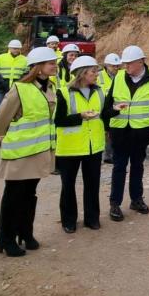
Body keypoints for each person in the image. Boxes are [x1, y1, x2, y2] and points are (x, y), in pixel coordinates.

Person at [0, 46, 57, 257]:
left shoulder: (50, 88)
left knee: (30, 195)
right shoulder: (20, 88)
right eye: (50, 63)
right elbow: (2, 118)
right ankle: (6, 238)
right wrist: (0, 136)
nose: (54, 66)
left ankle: (25, 233)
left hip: (39, 151)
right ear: (37, 68)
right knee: (13, 196)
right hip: (20, 152)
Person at [101, 45, 149, 221]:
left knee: (138, 166)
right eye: (125, 64)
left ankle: (136, 199)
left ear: (141, 61)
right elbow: (108, 104)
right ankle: (115, 204)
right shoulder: (119, 77)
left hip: (141, 132)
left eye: (129, 64)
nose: (126, 67)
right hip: (120, 131)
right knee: (119, 167)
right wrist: (107, 127)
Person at [55, 55, 105, 232]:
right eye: (93, 71)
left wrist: (115, 109)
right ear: (82, 74)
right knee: (68, 186)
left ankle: (92, 218)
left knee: (92, 184)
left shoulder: (99, 91)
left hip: (94, 146)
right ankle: (68, 220)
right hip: (70, 148)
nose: (97, 74)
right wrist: (81, 116)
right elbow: (58, 120)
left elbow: (103, 115)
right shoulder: (63, 92)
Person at [0, 40, 28, 132]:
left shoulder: (25, 60)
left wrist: (20, 82)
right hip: (1, 88)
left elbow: (26, 73)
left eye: (17, 48)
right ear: (9, 48)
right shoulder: (0, 58)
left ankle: (12, 128)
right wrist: (1, 82)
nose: (16, 50)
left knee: (16, 109)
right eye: (14, 48)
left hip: (17, 88)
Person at [99, 53, 122, 164]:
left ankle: (108, 155)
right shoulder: (99, 76)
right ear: (107, 65)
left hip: (114, 109)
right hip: (101, 108)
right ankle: (101, 155)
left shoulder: (120, 76)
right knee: (103, 132)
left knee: (110, 132)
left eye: (117, 66)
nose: (116, 68)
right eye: (113, 66)